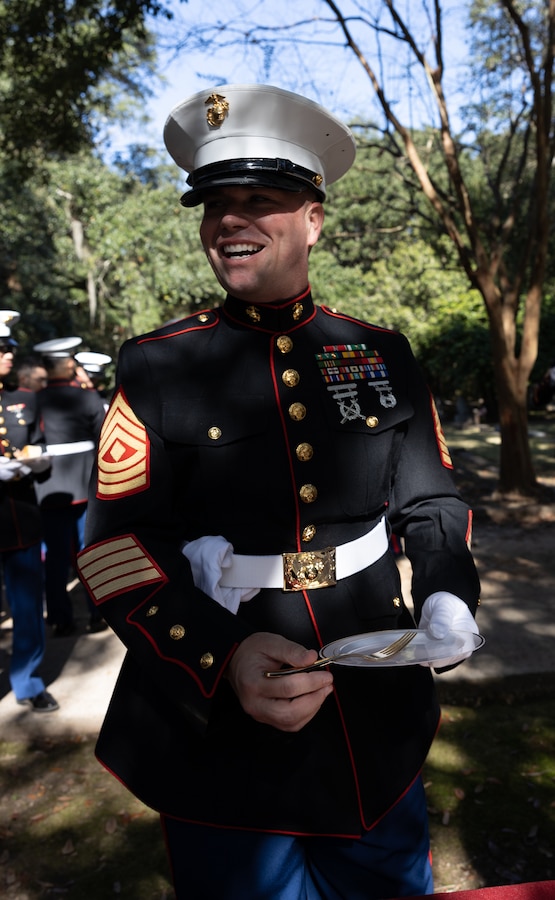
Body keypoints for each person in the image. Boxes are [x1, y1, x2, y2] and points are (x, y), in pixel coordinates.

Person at [77, 84, 481, 899]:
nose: (231, 220)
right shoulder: (157, 366)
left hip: (375, 708)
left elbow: (432, 503)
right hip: (221, 735)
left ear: (313, 220)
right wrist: (220, 656)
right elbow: (114, 548)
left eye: (260, 200)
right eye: (215, 205)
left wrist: (446, 596)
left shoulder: (381, 353)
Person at [0, 311, 58, 713]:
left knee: (26, 606)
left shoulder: (21, 399)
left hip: (19, 514)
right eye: (1, 349)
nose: (8, 355)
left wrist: (38, 459)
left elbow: (36, 443)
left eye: (8, 348)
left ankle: (28, 680)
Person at [33, 337, 107, 636]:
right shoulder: (87, 398)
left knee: (55, 558)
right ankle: (96, 615)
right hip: (84, 486)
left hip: (48, 489)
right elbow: (104, 438)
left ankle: (61, 619)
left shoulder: (34, 400)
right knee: (88, 554)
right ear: (65, 364)